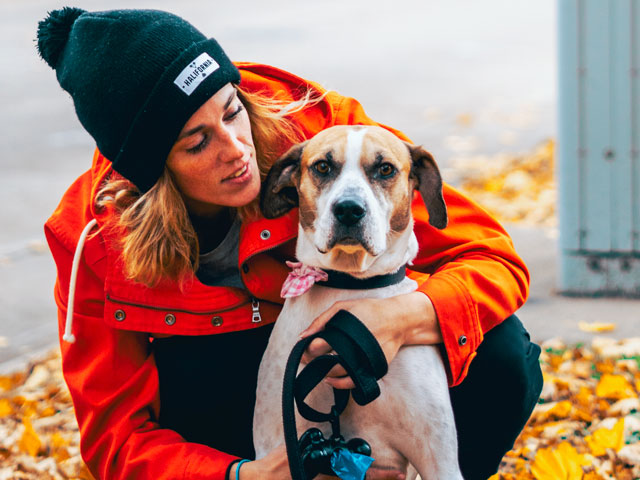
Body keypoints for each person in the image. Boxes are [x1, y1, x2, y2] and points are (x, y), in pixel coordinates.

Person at [38, 7, 542, 480]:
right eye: (197, 142)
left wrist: (399, 319)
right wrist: (240, 474)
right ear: (153, 170)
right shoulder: (93, 237)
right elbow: (115, 438)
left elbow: (493, 257)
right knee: (189, 373)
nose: (237, 150)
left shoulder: (327, 134)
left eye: (231, 112)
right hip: (227, 395)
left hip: (359, 341)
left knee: (501, 352)